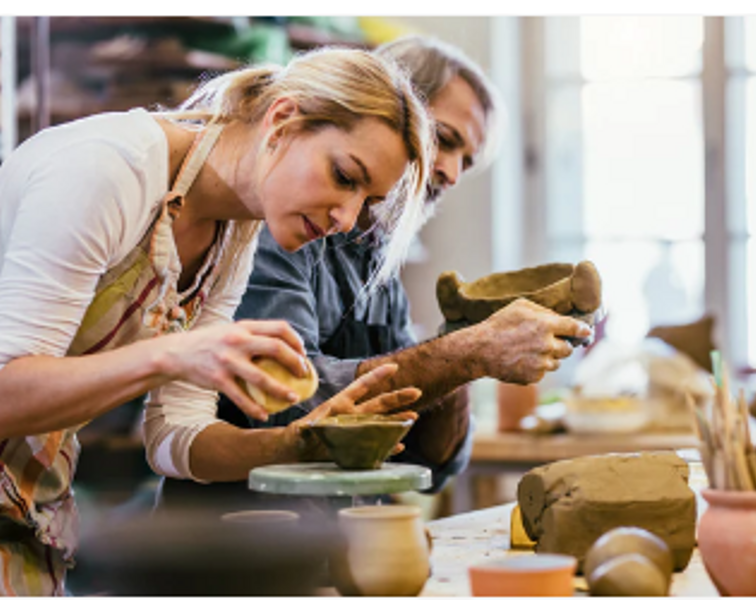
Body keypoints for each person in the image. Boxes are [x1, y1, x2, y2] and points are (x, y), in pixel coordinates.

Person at [0, 47, 435, 594]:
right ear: (282, 119)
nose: (346, 219)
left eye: (366, 201)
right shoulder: (110, 170)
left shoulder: (232, 233)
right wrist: (175, 354)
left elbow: (175, 440)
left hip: (28, 497)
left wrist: (301, 443)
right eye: (345, 176)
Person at [158, 35, 593, 511]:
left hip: (341, 545)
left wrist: (466, 338)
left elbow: (431, 464)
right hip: (236, 547)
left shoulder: (376, 256)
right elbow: (289, 403)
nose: (448, 172)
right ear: (394, 115)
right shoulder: (276, 220)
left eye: (466, 161)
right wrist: (465, 353)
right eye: (442, 141)